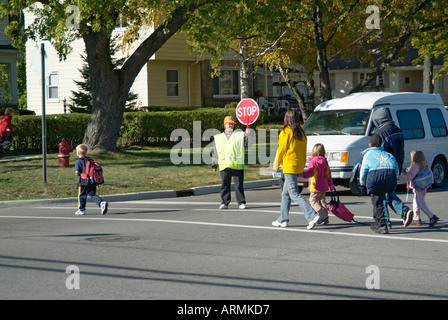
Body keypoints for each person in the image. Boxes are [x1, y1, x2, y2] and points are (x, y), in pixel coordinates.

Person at [271, 109, 320, 229]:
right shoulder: (302, 133)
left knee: (293, 193)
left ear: (286, 119)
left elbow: (281, 150)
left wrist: (275, 166)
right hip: (298, 165)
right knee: (285, 193)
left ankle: (312, 215)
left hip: (289, 166)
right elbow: (303, 151)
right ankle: (283, 219)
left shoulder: (285, 132)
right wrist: (303, 165)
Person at [371, 107, 413, 227]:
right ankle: (404, 212)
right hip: (397, 165)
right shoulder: (398, 130)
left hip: (383, 167)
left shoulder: (381, 132)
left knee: (382, 194)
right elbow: (402, 150)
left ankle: (386, 222)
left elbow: (379, 151)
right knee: (388, 192)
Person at [360, 134, 399, 234]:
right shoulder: (388, 154)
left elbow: (363, 170)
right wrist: (395, 180)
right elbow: (396, 167)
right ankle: (379, 222)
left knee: (377, 202)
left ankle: (382, 224)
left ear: (370, 144)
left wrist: (362, 182)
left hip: (375, 177)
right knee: (383, 198)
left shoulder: (368, 154)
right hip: (390, 176)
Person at [212, 116, 253, 210]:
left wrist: (248, 135)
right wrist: (214, 164)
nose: (230, 125)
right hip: (224, 164)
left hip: (237, 164)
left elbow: (248, 144)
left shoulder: (239, 135)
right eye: (228, 123)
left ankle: (241, 202)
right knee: (225, 185)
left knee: (239, 185)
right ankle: (224, 202)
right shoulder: (218, 137)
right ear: (224, 124)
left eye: (232, 124)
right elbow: (215, 151)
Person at [398, 150, 439, 227]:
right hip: (423, 186)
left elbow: (408, 177)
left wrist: (399, 175)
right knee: (416, 203)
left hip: (418, 187)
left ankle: (432, 216)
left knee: (420, 204)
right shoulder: (424, 164)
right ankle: (417, 219)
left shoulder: (416, 167)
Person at [299, 143, 335, 225]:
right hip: (324, 184)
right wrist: (331, 184)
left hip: (315, 185)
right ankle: (326, 219)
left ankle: (322, 215)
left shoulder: (313, 162)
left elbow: (310, 173)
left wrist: (301, 174)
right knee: (322, 201)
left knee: (313, 201)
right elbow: (328, 174)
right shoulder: (325, 161)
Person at [74, 144, 108, 215]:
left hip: (83, 181)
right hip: (92, 180)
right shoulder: (90, 160)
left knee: (82, 195)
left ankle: (81, 209)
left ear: (78, 153)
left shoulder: (78, 161)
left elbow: (77, 172)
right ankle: (101, 203)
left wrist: (77, 176)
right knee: (92, 194)